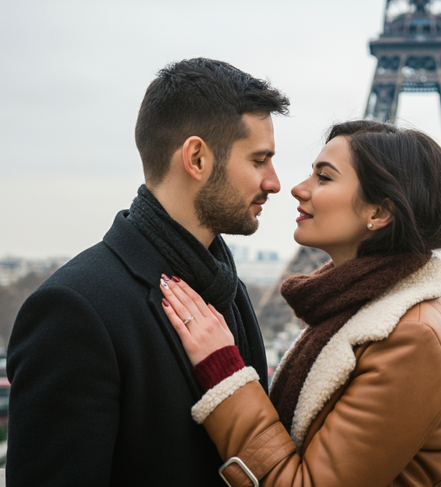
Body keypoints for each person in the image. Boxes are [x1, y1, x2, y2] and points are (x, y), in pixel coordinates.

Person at [6, 58, 289, 486]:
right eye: (259, 160)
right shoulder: (73, 310)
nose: (275, 182)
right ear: (196, 158)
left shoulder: (230, 290)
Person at [160, 120, 441, 487]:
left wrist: (224, 371)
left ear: (379, 213)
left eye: (324, 177)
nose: (298, 189)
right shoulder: (354, 309)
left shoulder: (412, 337)